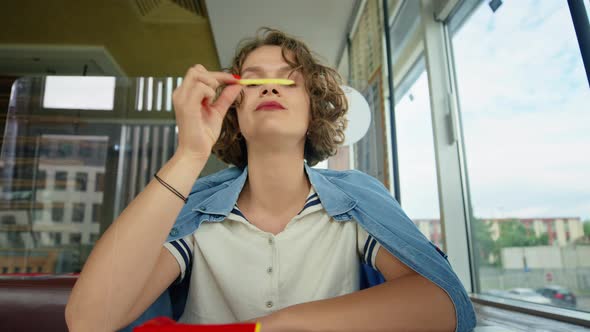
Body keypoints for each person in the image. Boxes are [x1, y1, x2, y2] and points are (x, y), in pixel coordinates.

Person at [65, 28, 476, 332]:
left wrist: (275, 325)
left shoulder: (357, 201)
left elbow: (445, 302)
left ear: (313, 111)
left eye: (287, 79)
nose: (268, 87)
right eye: (254, 79)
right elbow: (88, 321)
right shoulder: (197, 212)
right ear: (235, 113)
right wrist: (190, 154)